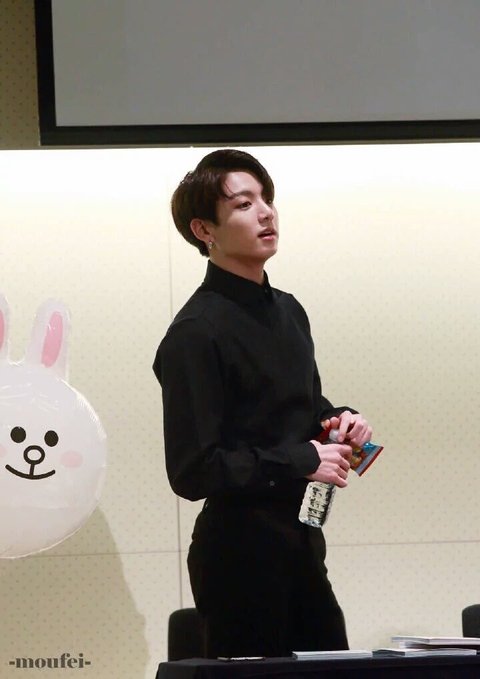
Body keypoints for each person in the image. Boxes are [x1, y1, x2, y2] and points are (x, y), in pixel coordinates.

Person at [153, 149, 373, 658]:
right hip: (238, 556)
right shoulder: (195, 332)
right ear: (204, 230)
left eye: (267, 199)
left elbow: (304, 408)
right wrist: (301, 459)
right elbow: (192, 470)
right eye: (243, 204)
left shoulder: (289, 311)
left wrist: (338, 420)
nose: (266, 213)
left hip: (303, 539)